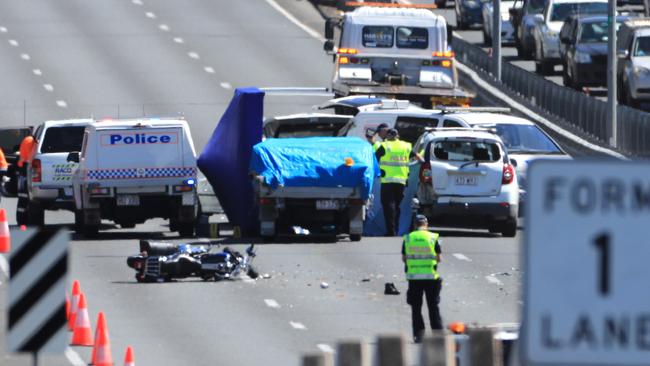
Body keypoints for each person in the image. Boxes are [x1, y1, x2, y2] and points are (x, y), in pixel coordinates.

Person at [402, 214, 443, 343]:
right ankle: (438, 335)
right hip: (430, 277)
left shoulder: (408, 238)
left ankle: (418, 336)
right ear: (426, 225)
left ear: (415, 225)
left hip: (414, 278)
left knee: (416, 308)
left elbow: (404, 258)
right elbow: (439, 258)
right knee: (433, 307)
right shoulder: (432, 237)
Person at [375, 128, 412, 236]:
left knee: (388, 206)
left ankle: (391, 231)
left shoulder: (385, 146)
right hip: (401, 182)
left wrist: (378, 171)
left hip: (387, 181)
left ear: (388, 136)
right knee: (396, 206)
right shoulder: (406, 146)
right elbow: (418, 157)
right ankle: (395, 229)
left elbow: (374, 159)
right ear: (398, 136)